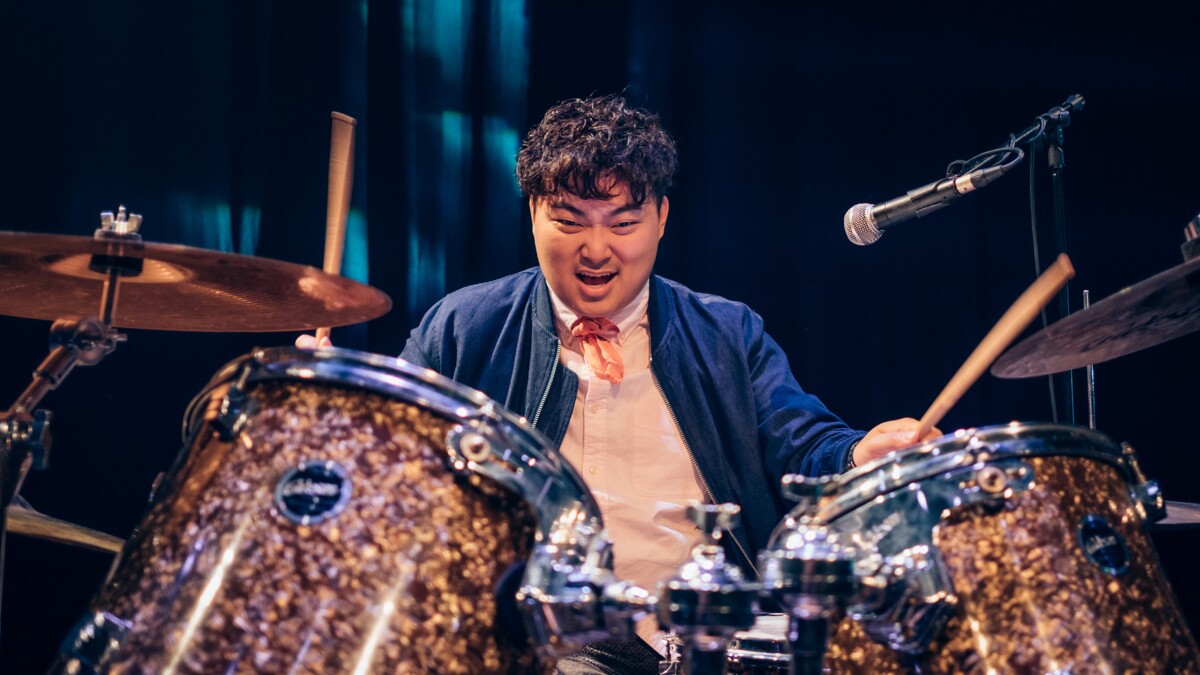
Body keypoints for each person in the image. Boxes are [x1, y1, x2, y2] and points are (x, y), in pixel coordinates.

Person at [301, 94, 937, 674]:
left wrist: (862, 454)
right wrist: (331, 415)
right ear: (533, 214)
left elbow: (805, 445)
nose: (597, 249)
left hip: (703, 637)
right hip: (539, 638)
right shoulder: (465, 328)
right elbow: (394, 461)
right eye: (571, 221)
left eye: (623, 223)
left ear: (661, 218)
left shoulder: (727, 333)